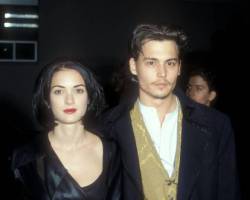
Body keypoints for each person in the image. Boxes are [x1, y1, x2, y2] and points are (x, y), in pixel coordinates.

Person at [103, 24, 240, 200]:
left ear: (179, 67)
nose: (162, 73)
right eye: (151, 62)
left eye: (170, 63)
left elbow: (228, 192)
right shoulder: (108, 128)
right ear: (133, 66)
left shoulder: (216, 125)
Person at [11, 60, 121, 200]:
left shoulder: (115, 152)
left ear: (89, 97)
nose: (69, 100)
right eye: (58, 91)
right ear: (47, 99)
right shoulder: (26, 158)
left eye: (78, 90)